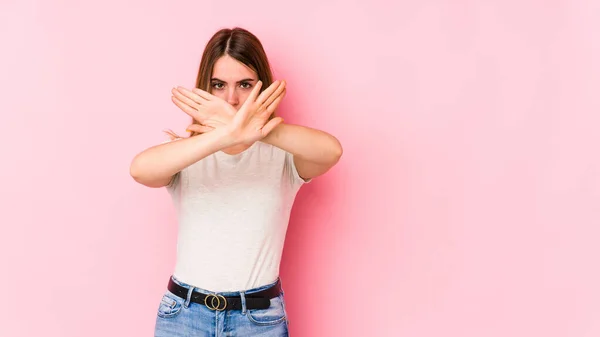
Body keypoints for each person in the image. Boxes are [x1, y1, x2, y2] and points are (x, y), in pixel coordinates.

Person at [129, 27, 343, 336]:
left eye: (245, 85)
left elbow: (331, 151)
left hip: (257, 321)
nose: (231, 98)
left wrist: (250, 126)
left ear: (263, 87)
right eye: (219, 85)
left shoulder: (282, 155)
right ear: (205, 88)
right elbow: (140, 169)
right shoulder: (189, 151)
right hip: (183, 317)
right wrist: (226, 134)